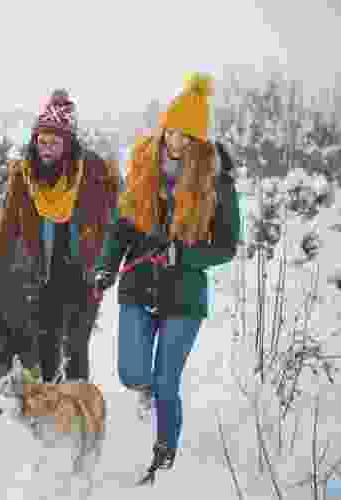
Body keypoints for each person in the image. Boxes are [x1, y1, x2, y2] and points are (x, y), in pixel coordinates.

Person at [93, 73, 241, 484]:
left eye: (187, 136)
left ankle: (165, 451)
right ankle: (145, 395)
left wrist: (186, 256)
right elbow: (121, 229)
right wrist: (107, 265)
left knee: (166, 382)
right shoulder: (141, 169)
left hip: (184, 296)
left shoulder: (217, 181)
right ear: (163, 130)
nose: (176, 142)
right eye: (172, 132)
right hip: (138, 288)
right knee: (132, 373)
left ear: (199, 141)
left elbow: (228, 245)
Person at [0, 89, 121, 383]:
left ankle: (77, 411)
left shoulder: (92, 170)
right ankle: (51, 407)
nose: (46, 148)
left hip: (86, 270)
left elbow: (112, 221)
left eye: (54, 142)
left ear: (68, 143)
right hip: (45, 272)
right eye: (41, 141)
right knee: (46, 342)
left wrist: (107, 265)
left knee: (76, 346)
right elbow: (8, 223)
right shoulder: (24, 173)